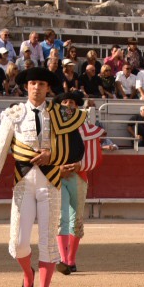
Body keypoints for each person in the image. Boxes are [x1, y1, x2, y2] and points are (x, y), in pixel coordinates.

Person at [0, 68, 86, 287]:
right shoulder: (13, 114)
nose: (37, 87)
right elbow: (0, 149)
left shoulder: (62, 114)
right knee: (18, 242)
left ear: (48, 88)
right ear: (26, 87)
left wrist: (53, 155)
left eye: (41, 84)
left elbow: (75, 149)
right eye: (33, 83)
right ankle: (28, 275)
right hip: (23, 183)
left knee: (49, 243)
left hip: (51, 182)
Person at [54, 91, 105, 275]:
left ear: (77, 106)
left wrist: (79, 166)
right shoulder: (51, 127)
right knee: (62, 218)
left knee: (76, 219)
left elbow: (96, 157)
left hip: (78, 176)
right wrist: (57, 168)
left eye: (72, 102)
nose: (68, 104)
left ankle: (71, 259)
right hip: (58, 176)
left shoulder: (86, 128)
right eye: (64, 101)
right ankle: (63, 259)